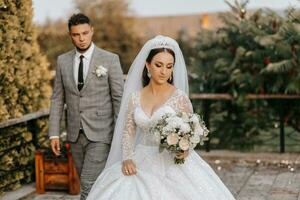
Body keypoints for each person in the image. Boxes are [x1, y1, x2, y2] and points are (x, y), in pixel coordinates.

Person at [87, 35, 235, 199]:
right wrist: (127, 159)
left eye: (169, 66)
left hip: (171, 161)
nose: (164, 71)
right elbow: (128, 132)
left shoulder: (180, 98)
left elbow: (192, 131)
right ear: (148, 65)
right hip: (141, 158)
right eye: (158, 65)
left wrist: (184, 150)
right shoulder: (135, 97)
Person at [48, 13, 124, 200]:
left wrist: (121, 134)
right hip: (74, 135)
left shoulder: (110, 59)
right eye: (76, 35)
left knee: (88, 184)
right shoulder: (62, 61)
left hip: (102, 134)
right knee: (91, 182)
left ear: (92, 31)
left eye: (85, 33)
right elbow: (57, 99)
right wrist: (54, 133)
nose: (81, 39)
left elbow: (118, 99)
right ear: (70, 35)